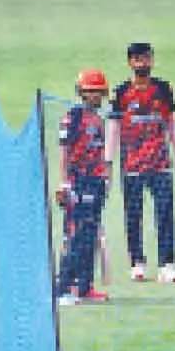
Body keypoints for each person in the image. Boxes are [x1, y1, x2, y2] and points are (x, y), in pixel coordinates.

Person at [108, 42, 175, 284]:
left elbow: (171, 121)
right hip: (132, 165)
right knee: (133, 215)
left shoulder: (162, 89)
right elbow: (113, 127)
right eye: (137, 59)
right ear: (130, 62)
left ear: (152, 60)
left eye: (146, 58)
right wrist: (108, 161)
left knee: (165, 213)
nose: (142, 63)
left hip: (160, 163)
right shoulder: (121, 92)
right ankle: (137, 263)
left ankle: (167, 265)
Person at [54, 68, 113, 306]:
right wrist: (64, 183)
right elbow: (64, 150)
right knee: (74, 235)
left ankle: (85, 287)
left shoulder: (98, 120)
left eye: (99, 91)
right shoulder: (73, 117)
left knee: (90, 236)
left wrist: (105, 179)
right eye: (90, 91)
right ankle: (63, 289)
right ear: (81, 92)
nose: (95, 95)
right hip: (77, 182)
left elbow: (100, 154)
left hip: (95, 183)